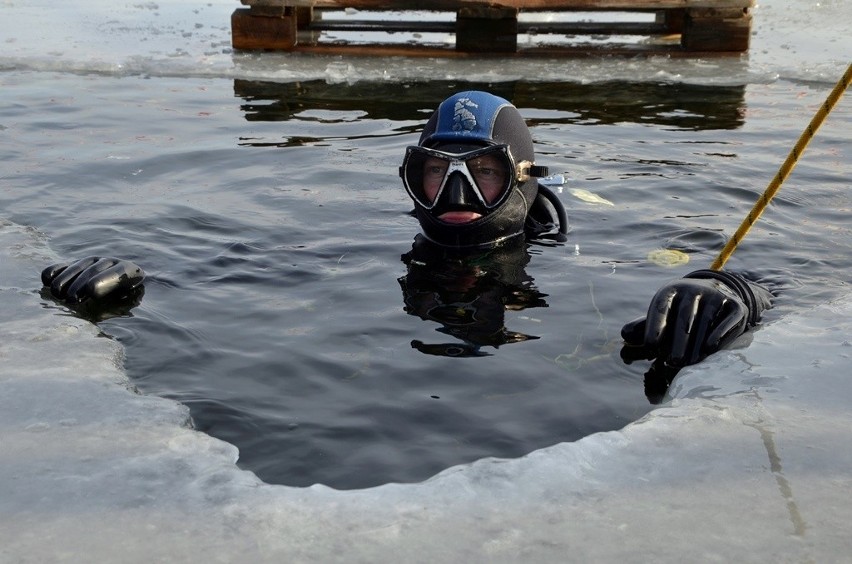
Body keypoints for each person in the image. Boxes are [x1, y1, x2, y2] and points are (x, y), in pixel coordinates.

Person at [41, 90, 772, 382]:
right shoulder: (384, 253)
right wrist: (137, 272)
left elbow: (775, 273)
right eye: (433, 176)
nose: (454, 198)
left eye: (480, 176)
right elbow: (250, 268)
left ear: (523, 177)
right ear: (409, 178)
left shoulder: (593, 244)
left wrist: (736, 286)